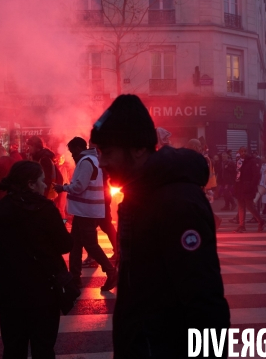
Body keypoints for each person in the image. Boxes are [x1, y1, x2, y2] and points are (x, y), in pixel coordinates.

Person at [90, 94, 230, 358]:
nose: (102, 161)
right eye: (99, 152)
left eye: (107, 152)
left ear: (138, 149)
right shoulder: (140, 193)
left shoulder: (177, 202)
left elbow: (203, 299)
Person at [0, 160, 72, 359]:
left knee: (13, 349)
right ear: (30, 184)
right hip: (43, 291)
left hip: (8, 290)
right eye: (42, 181)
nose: (46, 185)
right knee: (43, 348)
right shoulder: (45, 209)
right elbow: (64, 245)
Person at [53, 137, 117, 291]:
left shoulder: (86, 161)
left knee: (90, 244)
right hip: (84, 210)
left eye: (72, 151)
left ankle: (111, 272)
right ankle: (74, 278)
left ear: (77, 148)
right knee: (75, 244)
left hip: (86, 211)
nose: (72, 155)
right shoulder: (92, 159)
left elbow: (80, 186)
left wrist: (64, 188)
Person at [233, 146, 266, 232]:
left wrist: (252, 186)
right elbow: (237, 174)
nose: (243, 153)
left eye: (245, 151)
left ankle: (260, 221)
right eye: (241, 151)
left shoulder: (252, 161)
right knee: (241, 206)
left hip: (247, 187)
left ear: (248, 152)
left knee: (249, 206)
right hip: (240, 186)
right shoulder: (239, 161)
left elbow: (256, 175)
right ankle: (241, 225)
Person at [26, 136, 60, 200]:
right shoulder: (40, 158)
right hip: (43, 194)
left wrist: (43, 198)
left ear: (36, 147)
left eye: (30, 146)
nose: (28, 149)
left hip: (47, 196)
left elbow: (46, 180)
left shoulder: (44, 159)